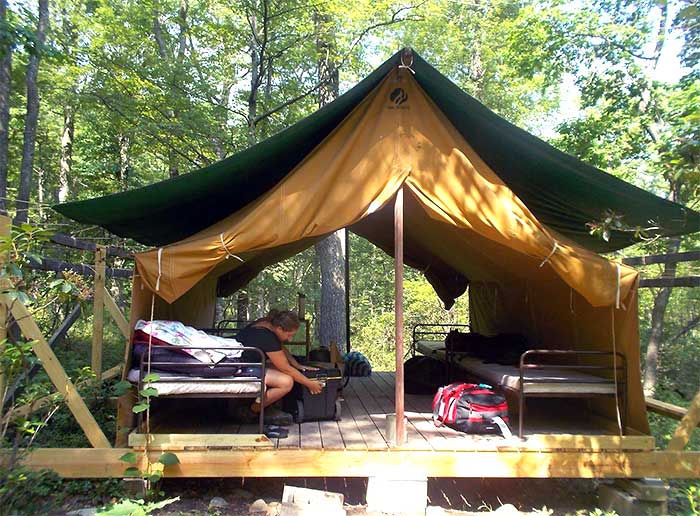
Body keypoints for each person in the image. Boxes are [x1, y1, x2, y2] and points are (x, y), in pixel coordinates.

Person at [235, 309, 323, 424]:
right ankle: (251, 412)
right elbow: (285, 368)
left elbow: (279, 348)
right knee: (286, 382)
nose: (289, 339)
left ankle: (266, 405)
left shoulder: (266, 324)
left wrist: (297, 365)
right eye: (289, 335)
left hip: (246, 361)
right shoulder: (268, 337)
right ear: (280, 329)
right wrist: (309, 384)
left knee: (285, 371)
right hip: (240, 366)